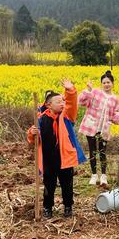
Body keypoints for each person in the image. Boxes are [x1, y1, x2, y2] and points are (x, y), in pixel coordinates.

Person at [28, 79, 86, 219]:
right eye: (58, 102)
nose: (62, 104)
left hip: (64, 158)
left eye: (63, 101)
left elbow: (72, 104)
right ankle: (48, 207)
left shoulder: (67, 117)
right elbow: (32, 140)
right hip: (48, 159)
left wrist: (70, 90)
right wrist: (32, 133)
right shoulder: (40, 119)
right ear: (48, 105)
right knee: (49, 184)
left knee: (67, 184)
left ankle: (68, 206)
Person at [78, 70, 119, 186]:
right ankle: (94, 175)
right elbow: (81, 101)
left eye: (108, 82)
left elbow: (115, 114)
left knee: (102, 152)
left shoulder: (115, 98)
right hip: (91, 126)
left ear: (112, 83)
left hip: (104, 128)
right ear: (101, 84)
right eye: (104, 82)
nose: (106, 84)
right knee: (92, 151)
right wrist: (88, 90)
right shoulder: (95, 92)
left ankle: (103, 176)